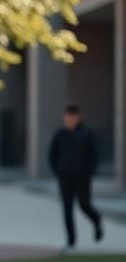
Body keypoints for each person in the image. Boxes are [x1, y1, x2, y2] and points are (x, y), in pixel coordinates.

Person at [48, 103, 104, 249]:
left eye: (72, 117)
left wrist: (89, 173)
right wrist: (58, 171)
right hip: (65, 179)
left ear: (78, 117)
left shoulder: (87, 134)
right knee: (67, 210)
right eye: (67, 117)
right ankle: (71, 241)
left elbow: (94, 156)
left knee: (84, 205)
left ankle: (96, 220)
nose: (69, 120)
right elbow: (52, 156)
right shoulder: (59, 135)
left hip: (82, 178)